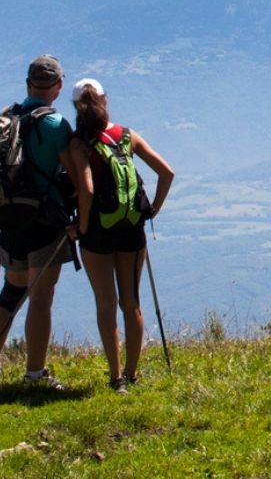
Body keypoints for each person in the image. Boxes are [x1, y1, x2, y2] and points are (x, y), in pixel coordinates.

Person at [0, 54, 84, 389]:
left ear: (28, 83)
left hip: (9, 219)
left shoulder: (8, 117)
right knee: (41, 297)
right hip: (44, 222)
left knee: (11, 291)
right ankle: (35, 375)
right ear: (59, 85)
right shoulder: (55, 125)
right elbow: (72, 172)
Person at [65, 77, 175, 392]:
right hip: (132, 227)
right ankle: (132, 374)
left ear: (77, 107)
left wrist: (82, 226)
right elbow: (166, 173)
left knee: (106, 303)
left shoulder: (79, 142)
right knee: (132, 301)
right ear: (105, 100)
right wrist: (153, 207)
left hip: (98, 232)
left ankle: (115, 379)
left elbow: (85, 188)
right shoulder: (126, 136)